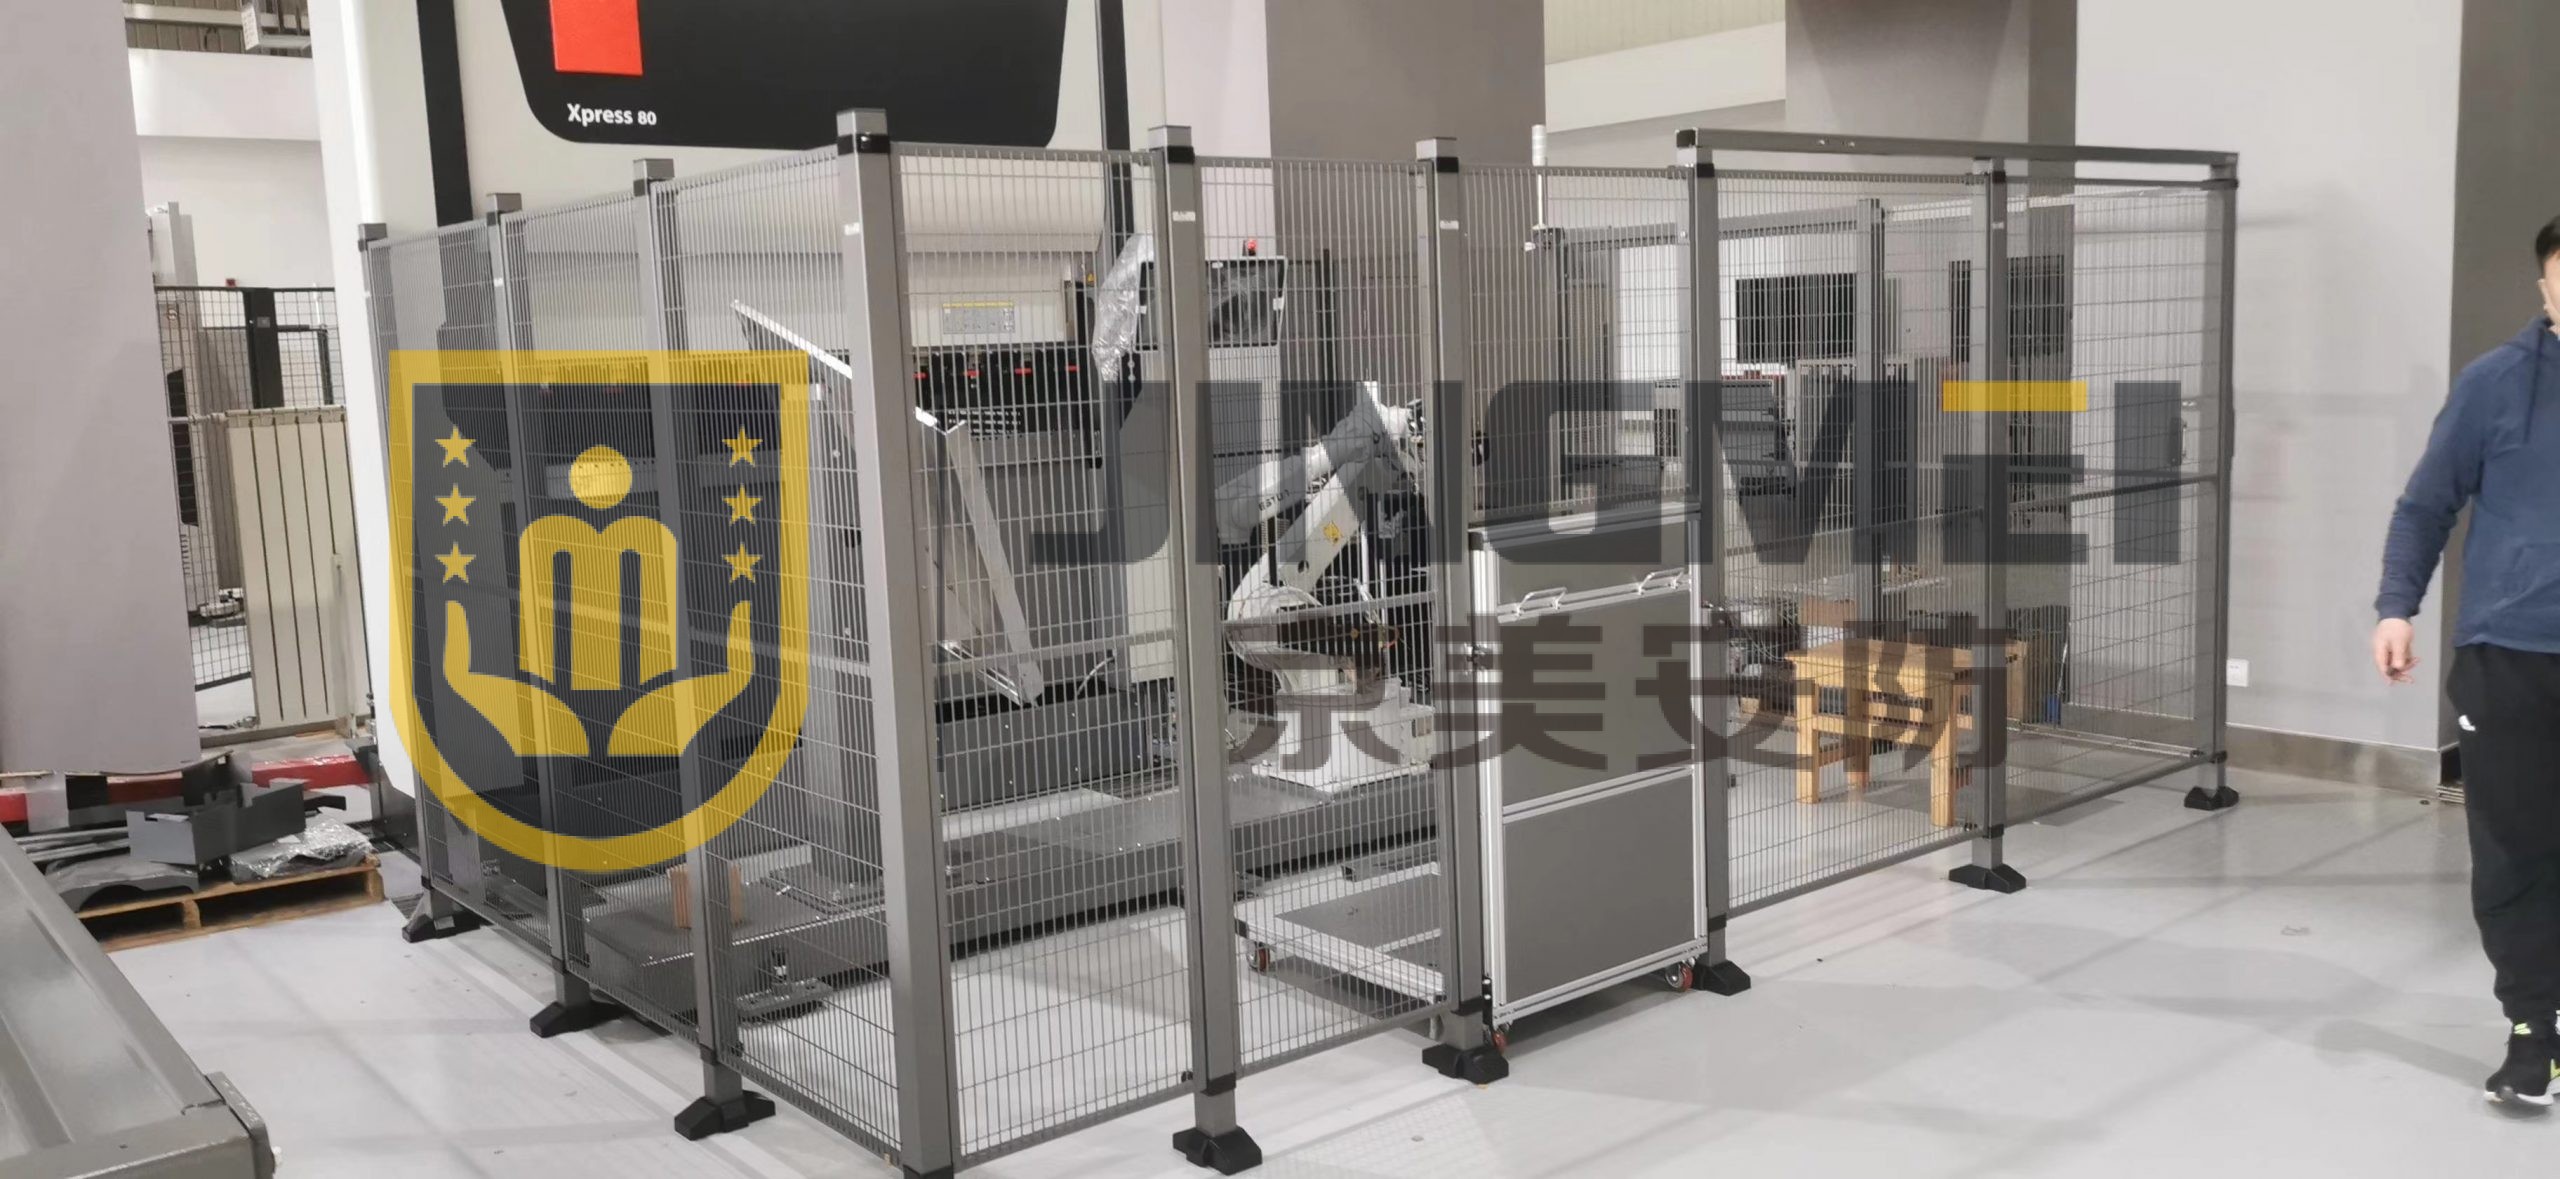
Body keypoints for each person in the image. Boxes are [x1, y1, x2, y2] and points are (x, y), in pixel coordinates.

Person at [2375, 214, 2560, 1109]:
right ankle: (2533, 1029)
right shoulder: (2495, 383)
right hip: (2509, 655)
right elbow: (2425, 504)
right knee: (2515, 851)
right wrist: (2395, 606)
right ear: (2545, 286)